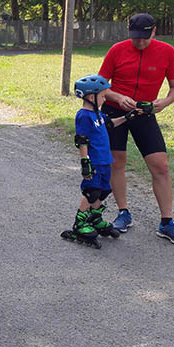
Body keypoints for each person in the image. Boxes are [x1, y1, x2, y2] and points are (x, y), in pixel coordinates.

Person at [98, 13, 174, 246]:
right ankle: (123, 213)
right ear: (129, 31)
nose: (140, 42)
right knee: (116, 162)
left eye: (145, 38)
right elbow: (100, 85)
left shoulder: (167, 52)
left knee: (160, 165)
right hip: (114, 111)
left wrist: (163, 103)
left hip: (145, 112)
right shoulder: (117, 50)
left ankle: (167, 222)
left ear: (154, 32)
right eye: (136, 37)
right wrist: (118, 96)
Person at [61, 74, 142, 248]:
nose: (105, 99)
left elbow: (110, 124)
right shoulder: (84, 116)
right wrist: (85, 162)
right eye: (103, 96)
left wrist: (129, 116)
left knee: (104, 190)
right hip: (95, 161)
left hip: (105, 160)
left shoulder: (98, 114)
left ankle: (95, 219)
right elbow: (81, 140)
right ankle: (80, 223)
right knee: (92, 191)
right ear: (92, 97)